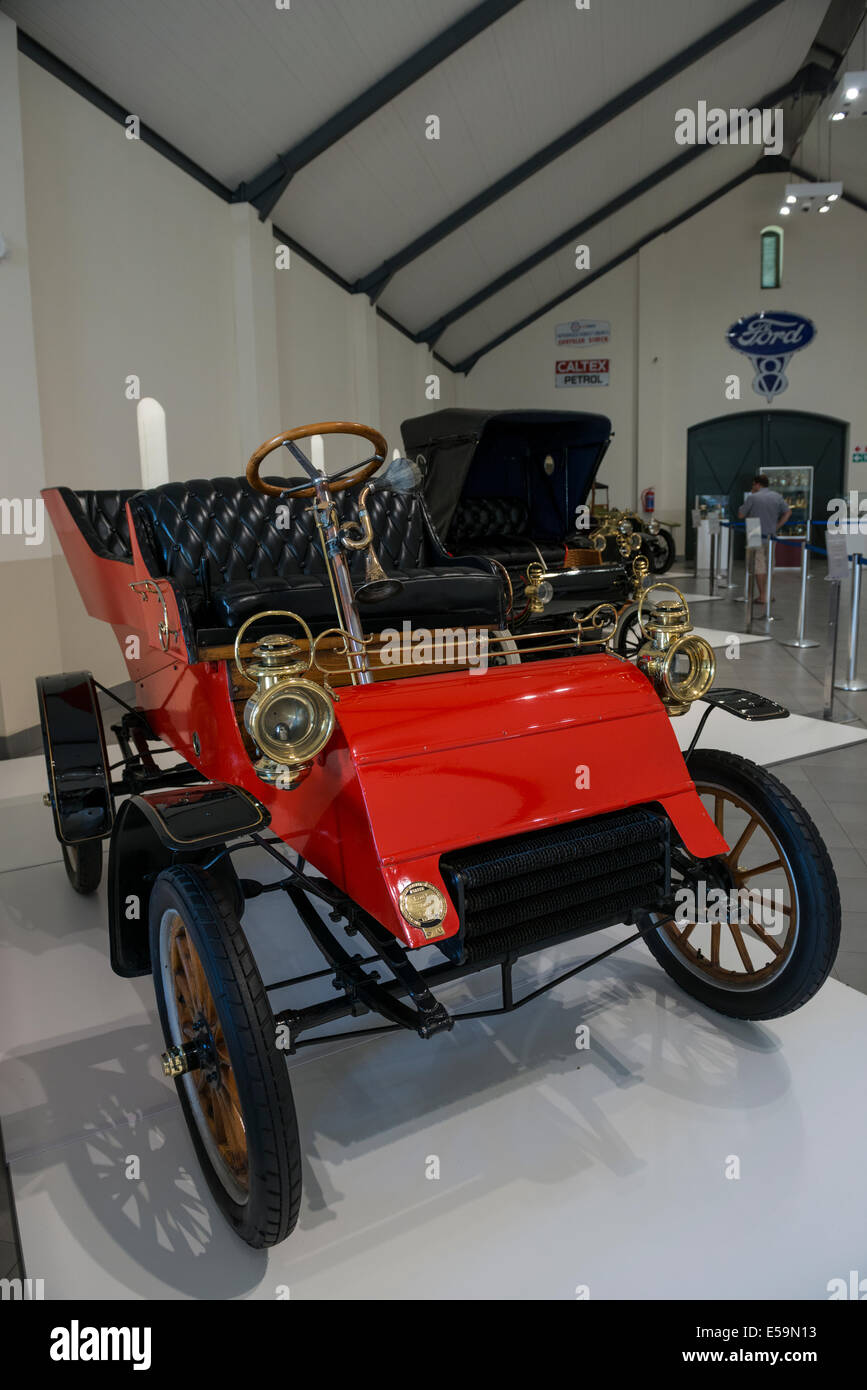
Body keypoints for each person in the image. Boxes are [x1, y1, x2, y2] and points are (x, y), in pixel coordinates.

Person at [738, 475, 791, 606]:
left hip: (755, 532)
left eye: (753, 485)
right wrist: (778, 525)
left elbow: (740, 515)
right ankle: (768, 593)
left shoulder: (753, 497)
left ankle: (762, 596)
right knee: (769, 565)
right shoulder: (777, 496)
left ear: (757, 484)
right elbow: (788, 512)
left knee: (758, 566)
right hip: (771, 535)